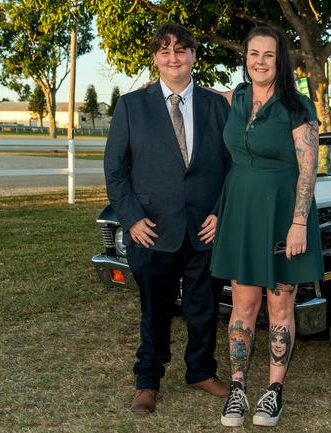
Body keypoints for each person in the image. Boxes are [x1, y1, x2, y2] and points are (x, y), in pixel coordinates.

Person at [104, 23, 231, 414]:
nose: (173, 57)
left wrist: (220, 212)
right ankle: (148, 381)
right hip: (151, 229)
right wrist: (132, 219)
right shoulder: (131, 106)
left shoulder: (216, 106)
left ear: (194, 55)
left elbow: (232, 167)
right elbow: (115, 170)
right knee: (155, 310)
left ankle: (201, 371)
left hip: (204, 229)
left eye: (181, 50)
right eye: (164, 51)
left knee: (203, 307)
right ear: (156, 58)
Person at [209, 26, 324, 428]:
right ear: (245, 57)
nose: (259, 61)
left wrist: (298, 223)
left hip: (282, 214)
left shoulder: (298, 106)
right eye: (253, 53)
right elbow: (198, 91)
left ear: (281, 60)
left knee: (279, 303)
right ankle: (238, 389)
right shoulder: (237, 98)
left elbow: (308, 170)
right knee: (242, 304)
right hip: (241, 211)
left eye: (268, 55)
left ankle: (273, 391)